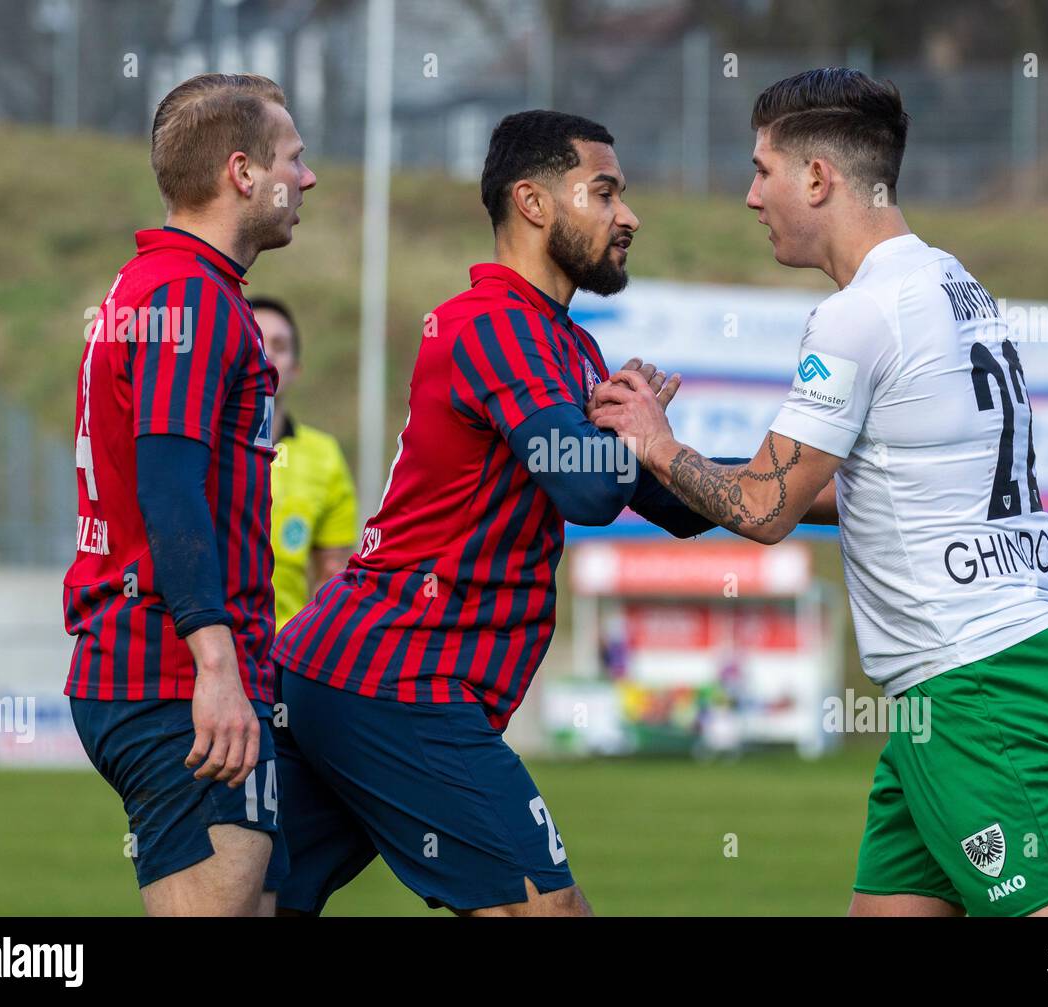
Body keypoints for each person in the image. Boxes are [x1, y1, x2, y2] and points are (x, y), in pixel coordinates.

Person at [591, 68, 1048, 917]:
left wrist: (656, 443)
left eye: (762, 170)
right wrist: (681, 471)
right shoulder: (953, 283)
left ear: (819, 179)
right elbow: (867, 490)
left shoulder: (859, 314)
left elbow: (764, 509)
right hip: (954, 685)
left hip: (975, 684)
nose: (751, 195)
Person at [271, 110, 726, 916]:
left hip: (347, 670)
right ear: (534, 201)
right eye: (606, 191)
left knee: (263, 900)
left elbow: (677, 505)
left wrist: (817, 483)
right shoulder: (495, 324)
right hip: (397, 675)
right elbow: (587, 489)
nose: (629, 215)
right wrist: (636, 437)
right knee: (543, 908)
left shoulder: (569, 347)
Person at [62, 73, 316, 915]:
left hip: (179, 672)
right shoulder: (189, 295)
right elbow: (170, 484)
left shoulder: (165, 287)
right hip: (172, 679)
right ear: (242, 173)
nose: (306, 180)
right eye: (294, 159)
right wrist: (215, 665)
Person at [250, 297, 359, 632]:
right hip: (199, 651)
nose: (266, 355)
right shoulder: (198, 443)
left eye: (279, 346)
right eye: (255, 341)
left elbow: (333, 576)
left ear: (296, 369)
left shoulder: (323, 456)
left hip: (278, 655)